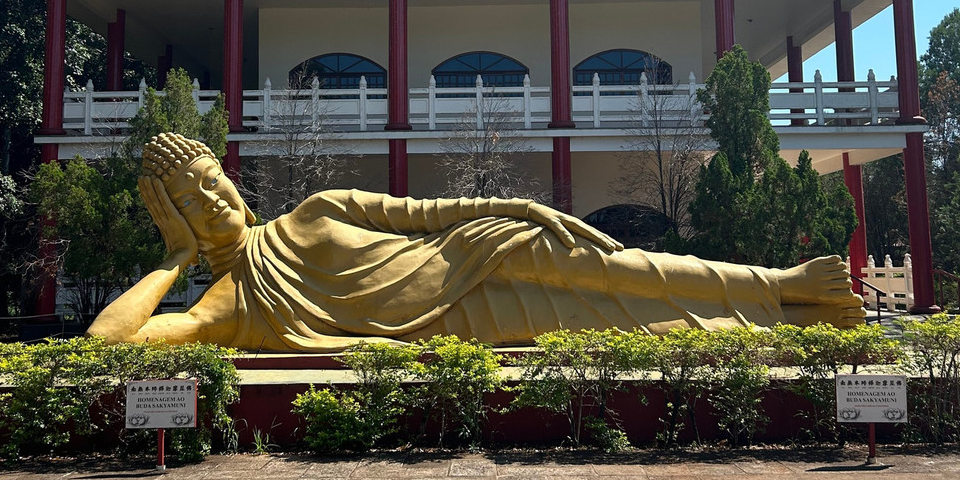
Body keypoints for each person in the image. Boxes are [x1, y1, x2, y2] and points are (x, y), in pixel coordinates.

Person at [87, 133, 865, 351]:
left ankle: (781, 281)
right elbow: (109, 342)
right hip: (457, 321)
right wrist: (174, 263)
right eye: (193, 202)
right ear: (177, 216)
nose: (216, 200)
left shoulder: (315, 211)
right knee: (627, 320)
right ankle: (793, 321)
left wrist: (519, 203)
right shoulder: (231, 305)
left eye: (216, 181)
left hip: (473, 250)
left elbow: (425, 213)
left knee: (622, 268)